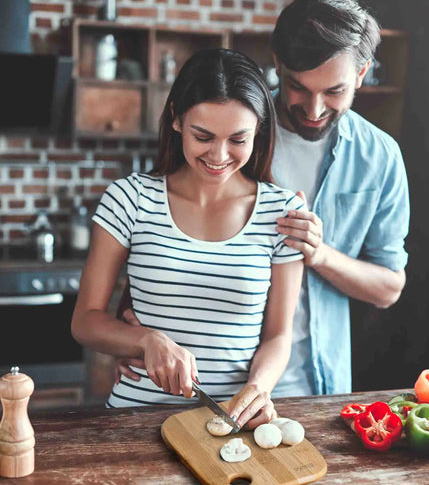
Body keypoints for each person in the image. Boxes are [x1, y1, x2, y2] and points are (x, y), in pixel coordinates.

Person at [115, 0, 410, 398]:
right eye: (298, 88)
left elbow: (389, 287)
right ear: (277, 65)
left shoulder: (380, 157)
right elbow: (161, 228)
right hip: (202, 386)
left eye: (334, 92)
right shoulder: (229, 127)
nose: (314, 108)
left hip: (314, 382)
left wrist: (318, 253)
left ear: (360, 75)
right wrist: (131, 334)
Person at [71, 48, 304, 429]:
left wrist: (259, 388)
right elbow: (85, 321)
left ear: (259, 129)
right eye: (203, 136)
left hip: (231, 421)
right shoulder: (130, 199)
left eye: (237, 139)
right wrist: (145, 341)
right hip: (136, 419)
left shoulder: (282, 213)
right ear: (177, 118)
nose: (219, 155)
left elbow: (278, 336)